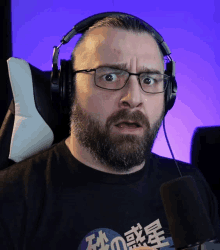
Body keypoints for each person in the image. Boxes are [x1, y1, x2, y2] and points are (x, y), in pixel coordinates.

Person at [0, 15, 220, 250]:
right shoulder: (11, 197)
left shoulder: (190, 186)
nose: (134, 99)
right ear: (67, 88)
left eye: (149, 79)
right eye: (110, 77)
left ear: (168, 95)